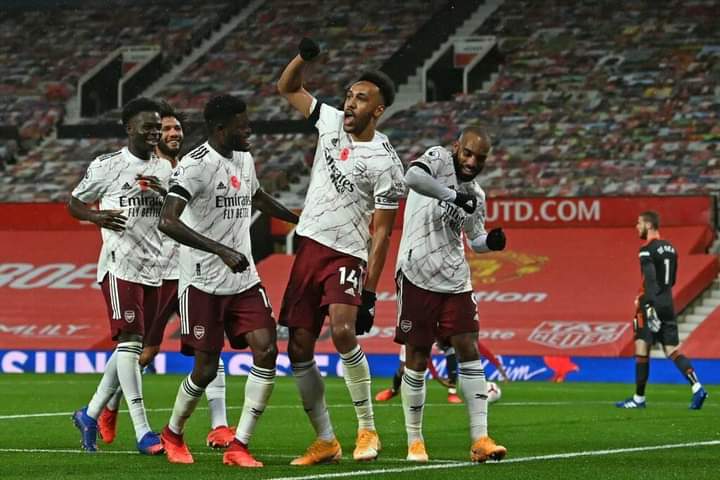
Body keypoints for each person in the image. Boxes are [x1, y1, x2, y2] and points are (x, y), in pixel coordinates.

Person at [276, 38, 405, 464]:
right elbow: (288, 88)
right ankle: (326, 440)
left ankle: (367, 429)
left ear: (378, 110)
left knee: (344, 332)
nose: (350, 103)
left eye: (361, 98)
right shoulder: (329, 121)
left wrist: (369, 292)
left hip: (347, 253)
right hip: (309, 246)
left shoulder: (386, 162)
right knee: (298, 347)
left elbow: (382, 233)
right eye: (349, 95)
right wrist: (304, 58)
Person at [157, 94, 299, 467]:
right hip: (202, 283)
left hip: (244, 280)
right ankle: (173, 432)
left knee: (267, 351)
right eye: (242, 125)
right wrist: (219, 249)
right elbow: (167, 221)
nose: (249, 129)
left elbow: (258, 198)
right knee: (205, 370)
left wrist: (301, 221)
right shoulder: (195, 166)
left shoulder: (244, 159)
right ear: (221, 129)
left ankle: (240, 445)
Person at [97, 101, 237, 449]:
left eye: (177, 129)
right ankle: (108, 406)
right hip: (154, 271)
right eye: (166, 129)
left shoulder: (187, 168)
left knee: (209, 344)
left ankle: (219, 425)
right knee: (144, 351)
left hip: (190, 271)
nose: (173, 134)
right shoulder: (140, 172)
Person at [394, 127, 508, 463]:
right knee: (417, 354)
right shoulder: (438, 159)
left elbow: (475, 239)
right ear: (456, 147)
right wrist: (453, 196)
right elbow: (412, 177)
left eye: (480, 158)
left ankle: (480, 439)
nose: (472, 162)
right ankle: (415, 440)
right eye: (468, 153)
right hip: (417, 272)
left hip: (456, 279)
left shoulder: (477, 195)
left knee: (468, 347)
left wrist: (491, 243)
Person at [68, 97, 169, 454]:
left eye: (157, 127)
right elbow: (74, 202)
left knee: (132, 345)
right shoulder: (107, 165)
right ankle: (143, 431)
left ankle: (89, 413)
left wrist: (166, 192)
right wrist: (96, 217)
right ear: (129, 128)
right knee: (131, 340)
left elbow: (173, 211)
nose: (154, 132)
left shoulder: (165, 169)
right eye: (147, 126)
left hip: (154, 266)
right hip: (119, 264)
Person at [616, 211, 708, 410]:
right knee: (672, 350)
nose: (636, 227)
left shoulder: (646, 250)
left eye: (639, 223)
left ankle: (639, 399)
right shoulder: (671, 248)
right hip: (667, 302)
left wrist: (648, 305)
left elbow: (650, 279)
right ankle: (697, 387)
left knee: (642, 349)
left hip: (649, 303)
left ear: (649, 225)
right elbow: (672, 280)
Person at [376, 341, 510, 404]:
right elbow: (425, 356)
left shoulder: (452, 331)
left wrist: (499, 368)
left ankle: (452, 393)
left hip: (438, 335)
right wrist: (436, 377)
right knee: (402, 369)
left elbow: (479, 347)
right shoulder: (428, 332)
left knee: (452, 352)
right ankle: (394, 391)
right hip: (414, 336)